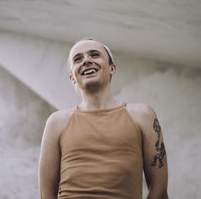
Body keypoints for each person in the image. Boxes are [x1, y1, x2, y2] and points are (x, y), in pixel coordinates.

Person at [38, 39, 168, 199]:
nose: (86, 61)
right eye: (78, 59)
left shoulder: (142, 115)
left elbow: (159, 191)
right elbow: (46, 195)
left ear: (112, 68)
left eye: (94, 55)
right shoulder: (57, 122)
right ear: (72, 77)